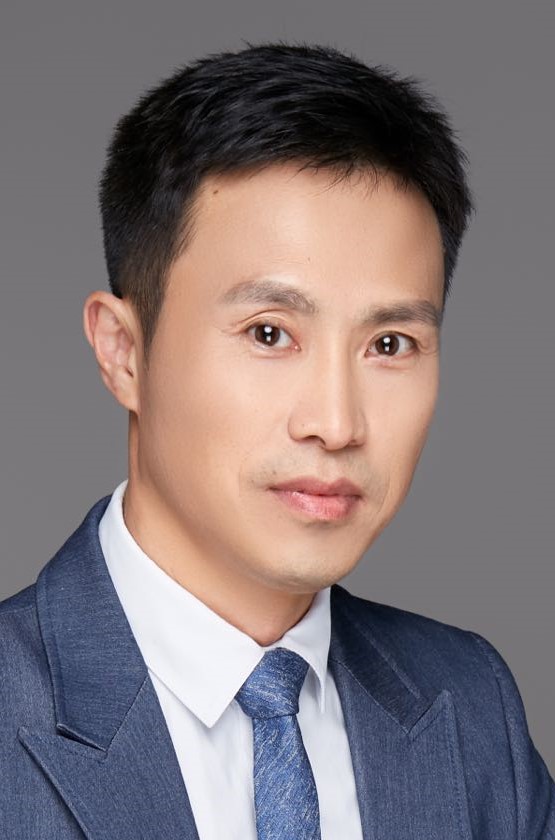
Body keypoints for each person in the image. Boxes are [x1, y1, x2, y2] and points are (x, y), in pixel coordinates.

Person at [0, 41, 553, 839]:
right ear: (123, 353)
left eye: (389, 344)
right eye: (268, 333)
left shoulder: (470, 708)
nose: (336, 422)